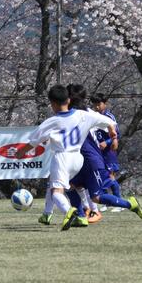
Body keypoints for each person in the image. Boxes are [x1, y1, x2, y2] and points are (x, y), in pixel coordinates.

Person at [13, 84, 119, 231]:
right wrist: (112, 130)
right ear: (68, 100)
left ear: (53, 104)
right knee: (74, 186)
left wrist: (20, 153)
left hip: (62, 157)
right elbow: (108, 121)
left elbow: (33, 143)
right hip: (78, 158)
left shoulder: (51, 121)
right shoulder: (83, 115)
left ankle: (70, 211)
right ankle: (81, 209)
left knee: (56, 191)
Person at [65, 84, 142, 226]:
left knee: (97, 197)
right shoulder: (71, 113)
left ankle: (130, 204)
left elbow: (110, 122)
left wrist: (113, 135)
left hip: (91, 160)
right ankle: (81, 216)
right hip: (78, 160)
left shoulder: (86, 113)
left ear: (70, 98)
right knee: (69, 185)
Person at [91, 93, 123, 212]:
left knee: (110, 176)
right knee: (100, 175)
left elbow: (117, 134)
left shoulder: (109, 116)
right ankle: (107, 202)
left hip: (108, 151)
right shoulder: (93, 117)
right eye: (94, 104)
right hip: (97, 152)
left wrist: (107, 142)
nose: (97, 107)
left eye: (99, 104)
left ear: (105, 104)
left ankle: (119, 202)